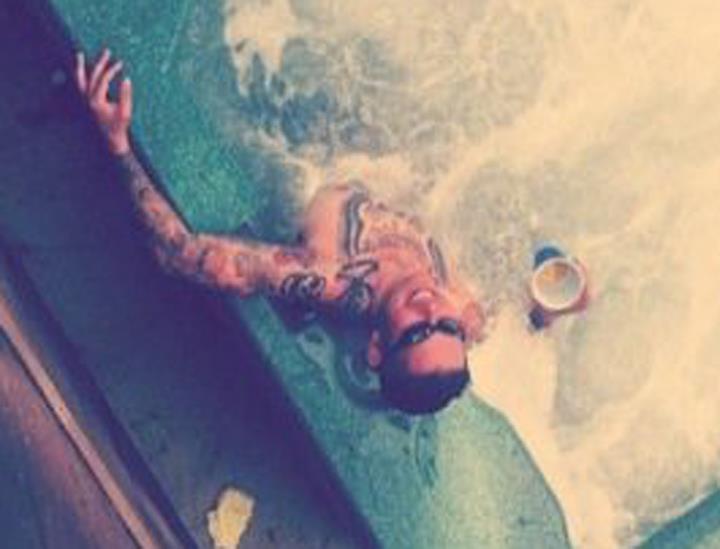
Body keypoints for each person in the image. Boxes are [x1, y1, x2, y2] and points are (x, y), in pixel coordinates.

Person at [75, 49, 486, 415]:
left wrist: (118, 144)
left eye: (417, 332)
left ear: (377, 347)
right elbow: (482, 325)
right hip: (375, 139)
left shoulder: (332, 276)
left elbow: (181, 255)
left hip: (303, 132)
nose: (431, 310)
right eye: (447, 328)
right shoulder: (460, 304)